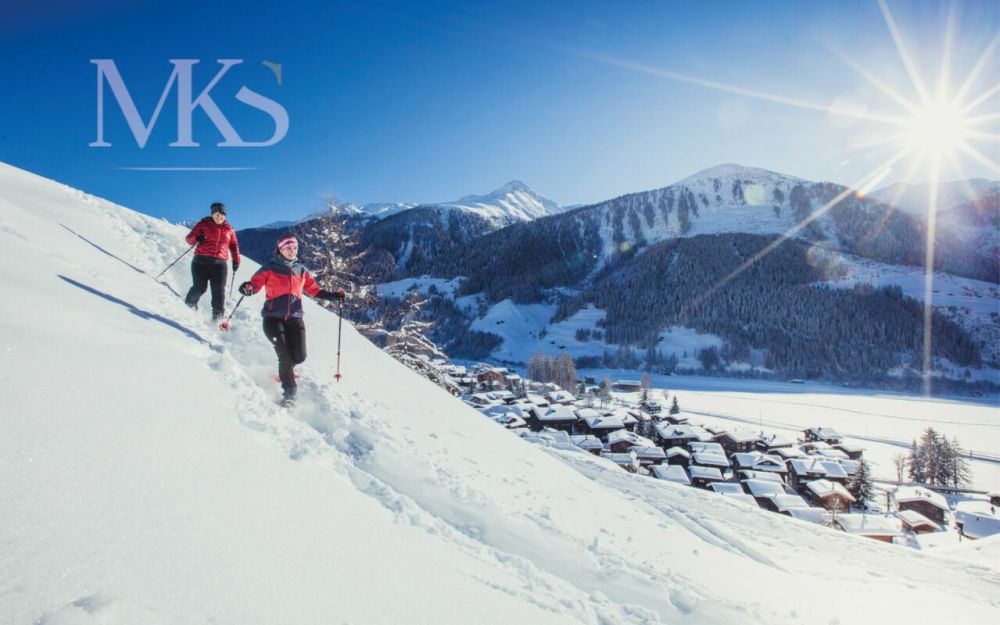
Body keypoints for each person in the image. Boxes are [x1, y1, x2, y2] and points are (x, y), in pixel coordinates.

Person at [239, 236, 345, 405]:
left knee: (300, 357)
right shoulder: (270, 268)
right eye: (288, 248)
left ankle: (283, 372)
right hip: (273, 319)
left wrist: (334, 296)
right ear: (280, 249)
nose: (292, 251)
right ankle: (290, 394)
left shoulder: (301, 270)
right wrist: (248, 288)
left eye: (294, 248)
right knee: (285, 356)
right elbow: (255, 284)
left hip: (295, 318)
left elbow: (314, 290)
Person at [184, 202, 241, 320]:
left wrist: (236, 261)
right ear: (212, 215)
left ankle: (217, 317)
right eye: (216, 215)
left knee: (219, 291)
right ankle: (189, 305)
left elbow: (234, 246)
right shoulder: (203, 224)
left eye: (221, 215)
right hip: (201, 262)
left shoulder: (229, 229)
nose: (219, 217)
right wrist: (196, 238)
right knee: (200, 287)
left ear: (225, 216)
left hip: (220, 265)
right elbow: (189, 239)